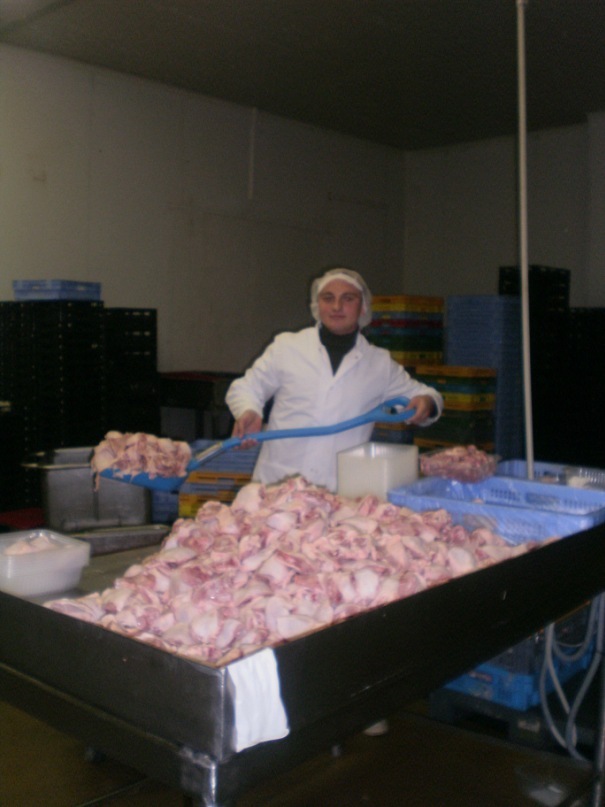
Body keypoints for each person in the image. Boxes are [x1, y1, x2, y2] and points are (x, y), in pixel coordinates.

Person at [225, 267, 443, 492]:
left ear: (363, 306)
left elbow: (428, 396)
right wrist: (249, 410)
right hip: (277, 485)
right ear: (317, 305)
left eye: (348, 298)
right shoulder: (287, 347)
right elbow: (245, 387)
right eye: (328, 298)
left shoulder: (380, 364)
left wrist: (427, 403)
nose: (337, 307)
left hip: (338, 492)